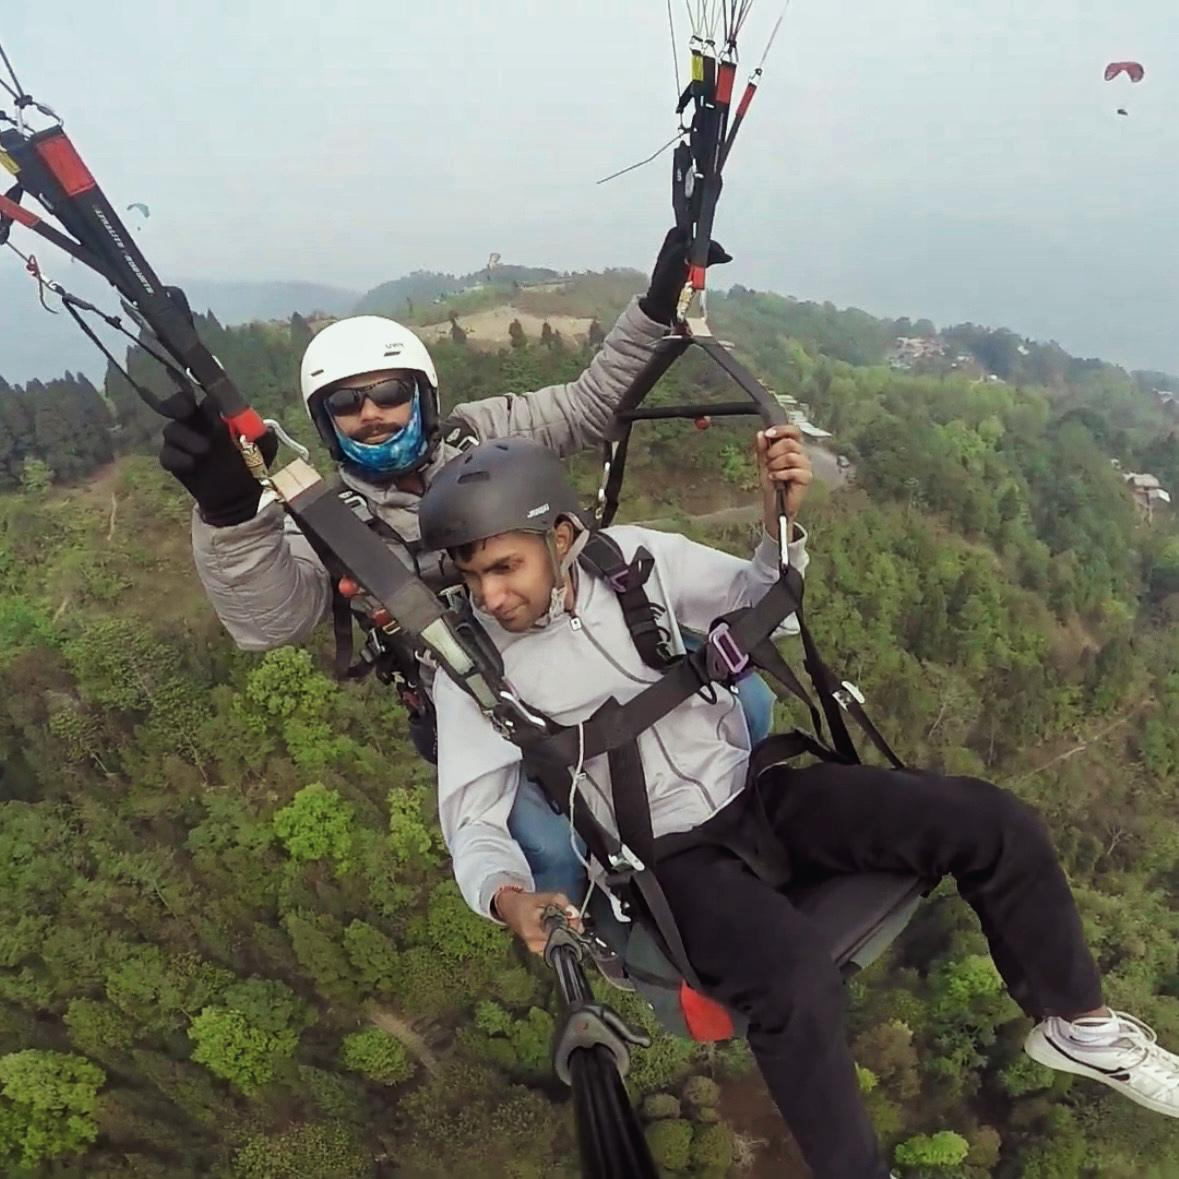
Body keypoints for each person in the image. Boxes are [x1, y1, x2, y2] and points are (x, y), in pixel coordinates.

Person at [418, 433, 1179, 1179]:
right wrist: (508, 897)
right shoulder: (474, 665)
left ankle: (1075, 1023)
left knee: (990, 820)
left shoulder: (631, 561)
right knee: (792, 982)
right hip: (671, 857)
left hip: (758, 791)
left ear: (561, 537)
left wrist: (774, 524)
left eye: (505, 567)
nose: (490, 595)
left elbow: (765, 608)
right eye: (473, 574)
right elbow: (474, 817)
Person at [156, 228, 730, 900]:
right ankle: (583, 926)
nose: (370, 414)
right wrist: (230, 515)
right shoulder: (323, 515)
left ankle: (735, 838)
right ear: (324, 421)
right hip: (477, 699)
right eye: (346, 403)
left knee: (740, 695)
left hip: (566, 634)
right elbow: (271, 620)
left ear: (421, 395)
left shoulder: (482, 435)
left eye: (389, 393)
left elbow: (589, 406)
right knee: (545, 841)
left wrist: (656, 307)